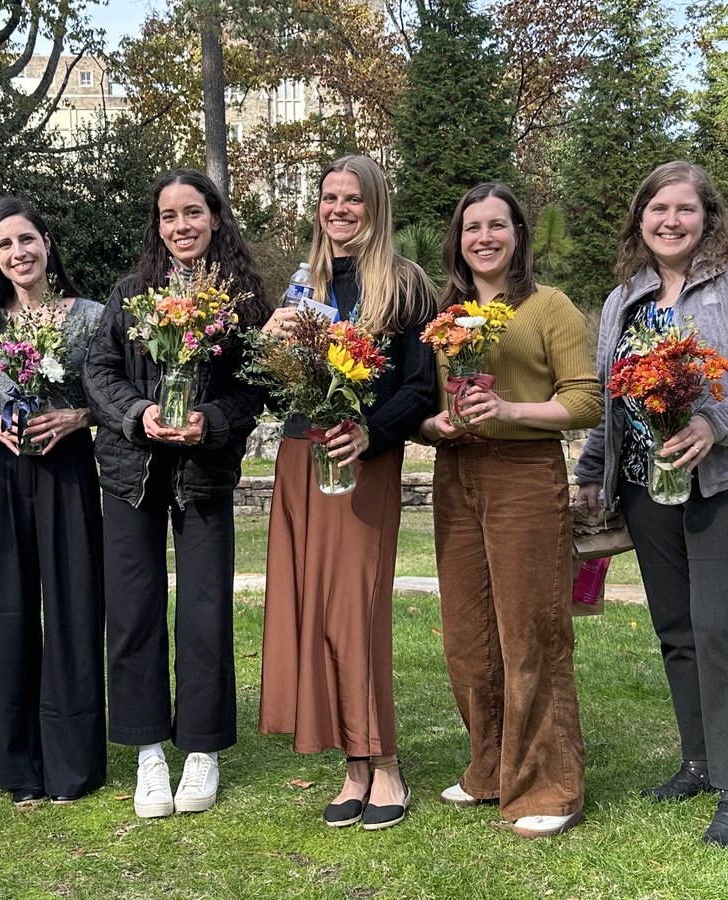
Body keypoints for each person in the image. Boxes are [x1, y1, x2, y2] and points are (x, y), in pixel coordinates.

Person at [574, 161, 728, 847]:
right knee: (676, 627)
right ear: (640, 218)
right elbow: (612, 395)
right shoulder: (624, 299)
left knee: (719, 625)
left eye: (685, 209)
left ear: (708, 217)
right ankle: (697, 762)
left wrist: (712, 423)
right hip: (648, 488)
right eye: (658, 209)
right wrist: (591, 467)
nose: (670, 221)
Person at [84, 169, 272, 818]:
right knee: (133, 610)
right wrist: (138, 413)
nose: (180, 226)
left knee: (203, 611)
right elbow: (98, 371)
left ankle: (200, 748)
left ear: (215, 218)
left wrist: (210, 422)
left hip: (204, 474)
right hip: (130, 472)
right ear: (156, 226)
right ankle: (147, 753)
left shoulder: (244, 302)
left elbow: (256, 386)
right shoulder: (130, 294)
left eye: (193, 213)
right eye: (168, 216)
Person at [257, 155, 437, 830]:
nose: (338, 209)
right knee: (317, 615)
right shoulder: (305, 284)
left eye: (352, 199)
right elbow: (278, 392)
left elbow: (420, 387)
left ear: (375, 206)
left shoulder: (406, 284)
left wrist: (371, 435)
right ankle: (351, 767)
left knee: (357, 611)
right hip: (303, 457)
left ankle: (384, 763)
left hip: (364, 459)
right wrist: (269, 345)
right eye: (329, 197)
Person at [418, 183, 601, 838]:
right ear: (458, 239)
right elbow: (426, 407)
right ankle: (491, 766)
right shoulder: (446, 313)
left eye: (498, 225)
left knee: (532, 632)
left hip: (525, 474)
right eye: (473, 227)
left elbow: (585, 400)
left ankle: (552, 783)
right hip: (456, 473)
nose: (485, 237)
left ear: (519, 234)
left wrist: (511, 411)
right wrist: (436, 424)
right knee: (469, 640)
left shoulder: (548, 307)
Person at [0, 197, 106, 805]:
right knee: (8, 613)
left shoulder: (91, 317)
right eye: (4, 246)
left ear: (47, 241)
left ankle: (71, 763)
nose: (18, 254)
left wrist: (79, 417)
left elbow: (115, 394)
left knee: (72, 608)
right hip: (3, 471)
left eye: (26, 240)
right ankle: (16, 763)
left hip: (67, 470)